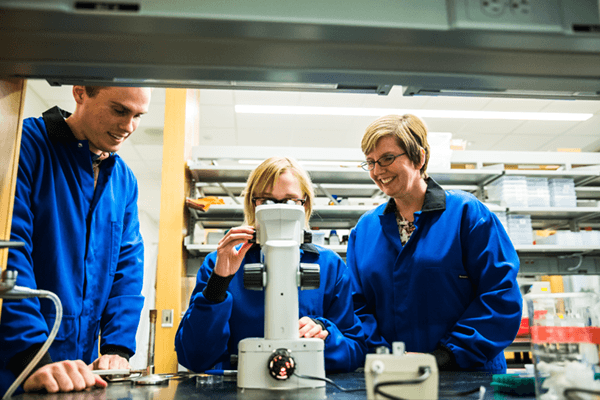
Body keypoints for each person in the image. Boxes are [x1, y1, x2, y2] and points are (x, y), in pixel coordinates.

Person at [0, 85, 152, 395]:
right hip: (17, 361)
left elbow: (127, 268)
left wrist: (117, 349)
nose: (128, 126)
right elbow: (9, 255)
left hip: (77, 369)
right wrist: (33, 356)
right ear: (80, 93)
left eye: (138, 115)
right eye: (120, 110)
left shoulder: (123, 179)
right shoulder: (22, 145)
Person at [346, 114, 522, 374]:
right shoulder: (365, 230)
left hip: (467, 375)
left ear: (419, 157)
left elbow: (500, 296)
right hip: (393, 375)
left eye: (387, 158)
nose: (377, 171)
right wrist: (384, 355)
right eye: (370, 162)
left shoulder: (467, 214)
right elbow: (355, 305)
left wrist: (445, 356)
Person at [175, 157, 367, 373]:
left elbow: (355, 351)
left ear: (305, 205)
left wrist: (323, 332)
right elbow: (193, 358)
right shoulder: (219, 262)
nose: (278, 210)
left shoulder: (329, 266)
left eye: (290, 201)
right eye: (266, 201)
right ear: (252, 203)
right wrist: (219, 283)